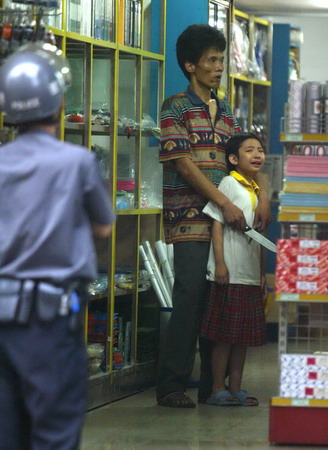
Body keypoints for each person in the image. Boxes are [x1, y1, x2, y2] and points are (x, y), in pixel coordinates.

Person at [0, 43, 115, 449]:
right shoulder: (78, 162)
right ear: (59, 101)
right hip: (49, 320)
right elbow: (103, 227)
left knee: (7, 428)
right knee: (54, 427)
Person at [157, 24, 271, 408]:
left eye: (222, 60)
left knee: (217, 303)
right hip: (190, 219)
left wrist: (264, 196)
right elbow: (185, 166)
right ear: (191, 65)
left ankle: (213, 386)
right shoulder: (175, 107)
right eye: (212, 60)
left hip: (227, 224)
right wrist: (223, 203)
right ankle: (171, 385)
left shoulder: (226, 112)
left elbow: (243, 162)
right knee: (189, 297)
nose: (219, 67)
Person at [201, 132, 267, 406]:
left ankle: (236, 388)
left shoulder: (256, 189)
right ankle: (217, 388)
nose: (257, 155)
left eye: (260, 150)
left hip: (250, 273)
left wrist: (261, 272)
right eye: (249, 150)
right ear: (232, 158)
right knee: (225, 335)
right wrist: (220, 263)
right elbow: (217, 224)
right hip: (230, 272)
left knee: (242, 338)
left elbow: (259, 237)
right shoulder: (229, 184)